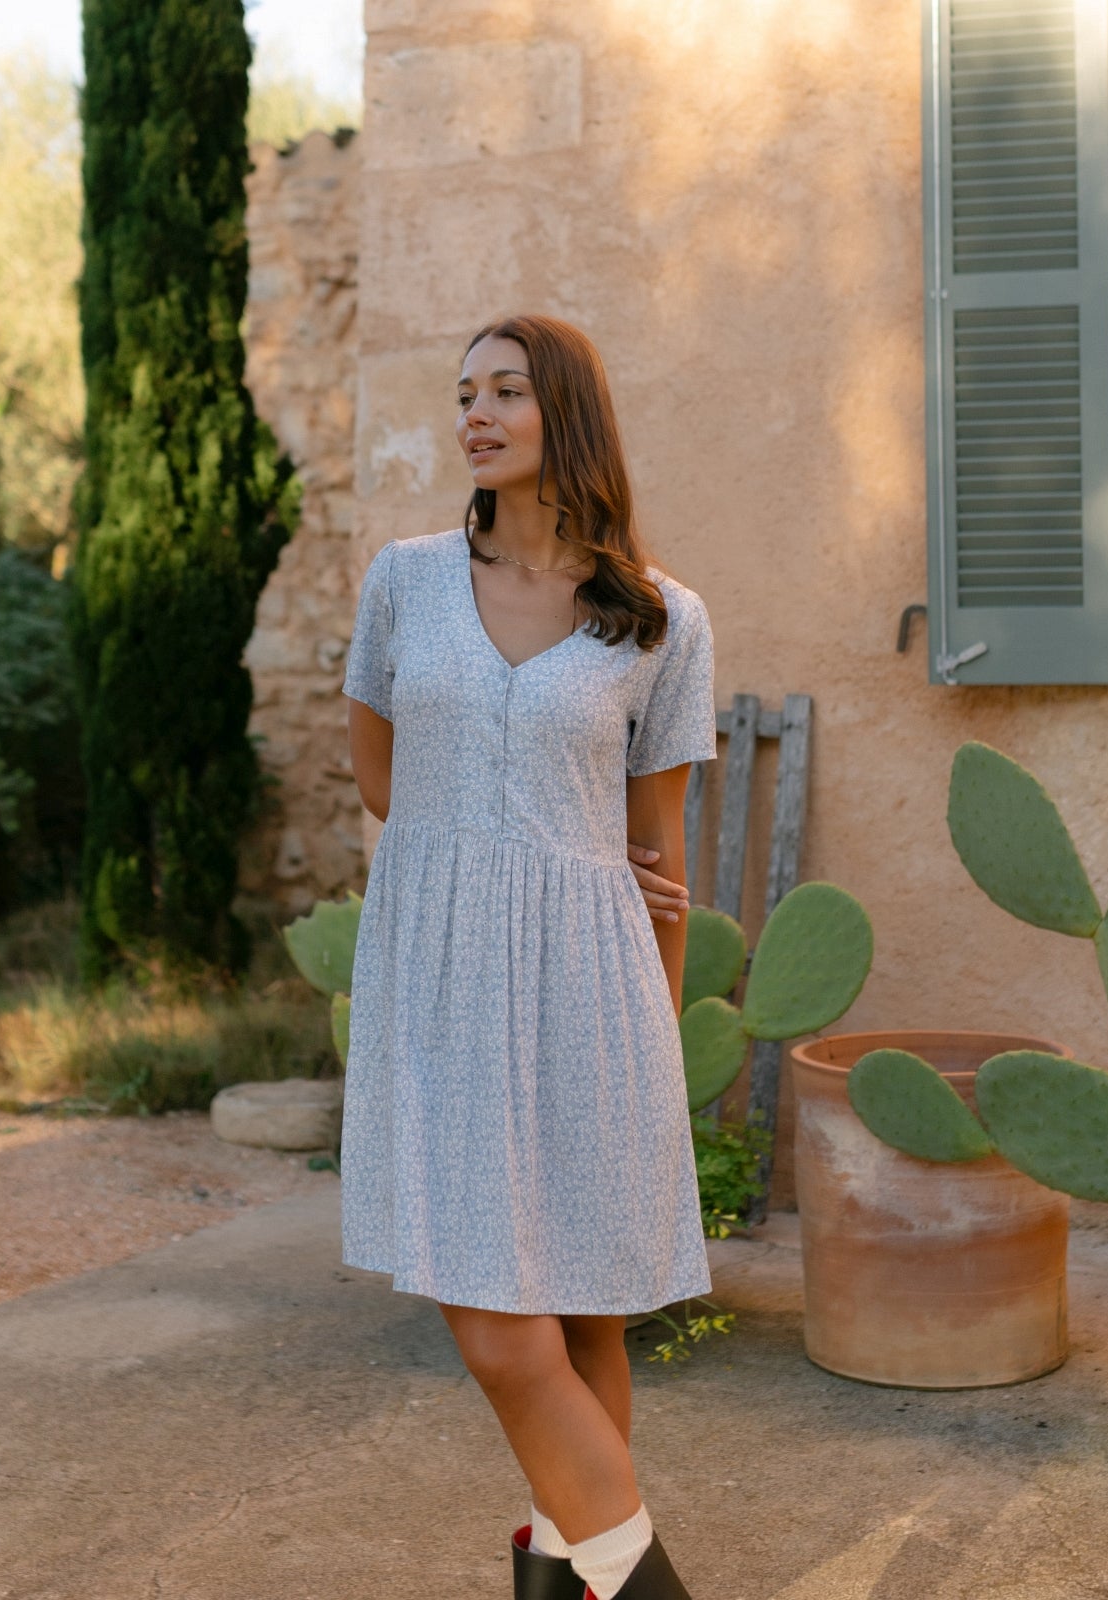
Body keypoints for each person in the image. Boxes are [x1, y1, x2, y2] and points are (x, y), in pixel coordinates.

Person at [342, 313, 714, 1600]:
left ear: (567, 409)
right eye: (464, 394)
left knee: (589, 1321)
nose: (476, 415)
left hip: (594, 989)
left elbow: (659, 854)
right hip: (441, 980)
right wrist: (491, 844)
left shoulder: (661, 617)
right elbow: (385, 781)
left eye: (505, 390)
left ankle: (563, 1582)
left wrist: (658, 1051)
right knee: (505, 1338)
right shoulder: (403, 581)